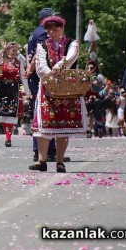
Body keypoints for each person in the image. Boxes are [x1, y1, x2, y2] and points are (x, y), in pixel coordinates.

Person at [29, 15, 85, 173]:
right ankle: (42, 160)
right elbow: (40, 65)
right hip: (47, 86)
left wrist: (59, 66)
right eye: (49, 30)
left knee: (63, 124)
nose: (53, 32)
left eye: (56, 29)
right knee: (43, 124)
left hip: (67, 86)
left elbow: (71, 56)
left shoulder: (71, 43)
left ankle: (60, 161)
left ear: (62, 29)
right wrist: (50, 77)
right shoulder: (42, 45)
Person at [26, 8, 59, 162]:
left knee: (41, 110)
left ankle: (47, 150)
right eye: (52, 17)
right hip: (40, 76)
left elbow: (28, 55)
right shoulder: (42, 33)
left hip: (35, 76)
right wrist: (30, 69)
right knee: (44, 110)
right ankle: (43, 151)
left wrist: (28, 69)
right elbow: (38, 56)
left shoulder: (35, 32)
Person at [0, 40, 29, 147]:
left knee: (11, 113)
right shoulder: (2, 60)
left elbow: (23, 77)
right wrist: (2, 49)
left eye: (16, 50)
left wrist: (27, 91)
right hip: (1, 88)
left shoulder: (18, 63)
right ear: (8, 51)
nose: (15, 52)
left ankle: (8, 138)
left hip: (13, 88)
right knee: (2, 113)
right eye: (13, 50)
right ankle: (6, 131)